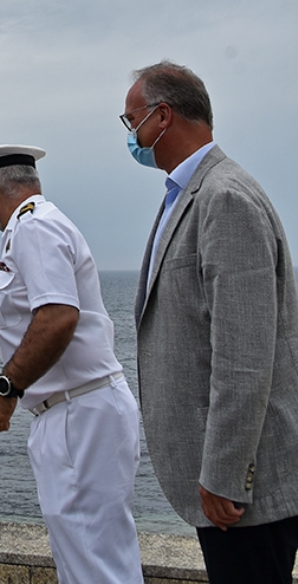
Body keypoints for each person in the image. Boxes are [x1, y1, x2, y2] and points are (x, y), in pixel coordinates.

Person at [0, 145, 143, 584]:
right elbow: (15, 305)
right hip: (73, 411)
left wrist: (6, 389)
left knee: (95, 561)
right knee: (85, 555)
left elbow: (59, 316)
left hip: (78, 412)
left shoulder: (34, 229)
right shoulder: (32, 228)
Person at [121, 61, 298, 583]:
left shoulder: (224, 198)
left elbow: (244, 355)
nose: (131, 136)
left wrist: (225, 474)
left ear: (163, 116)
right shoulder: (192, 193)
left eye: (132, 122)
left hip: (245, 490)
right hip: (233, 487)